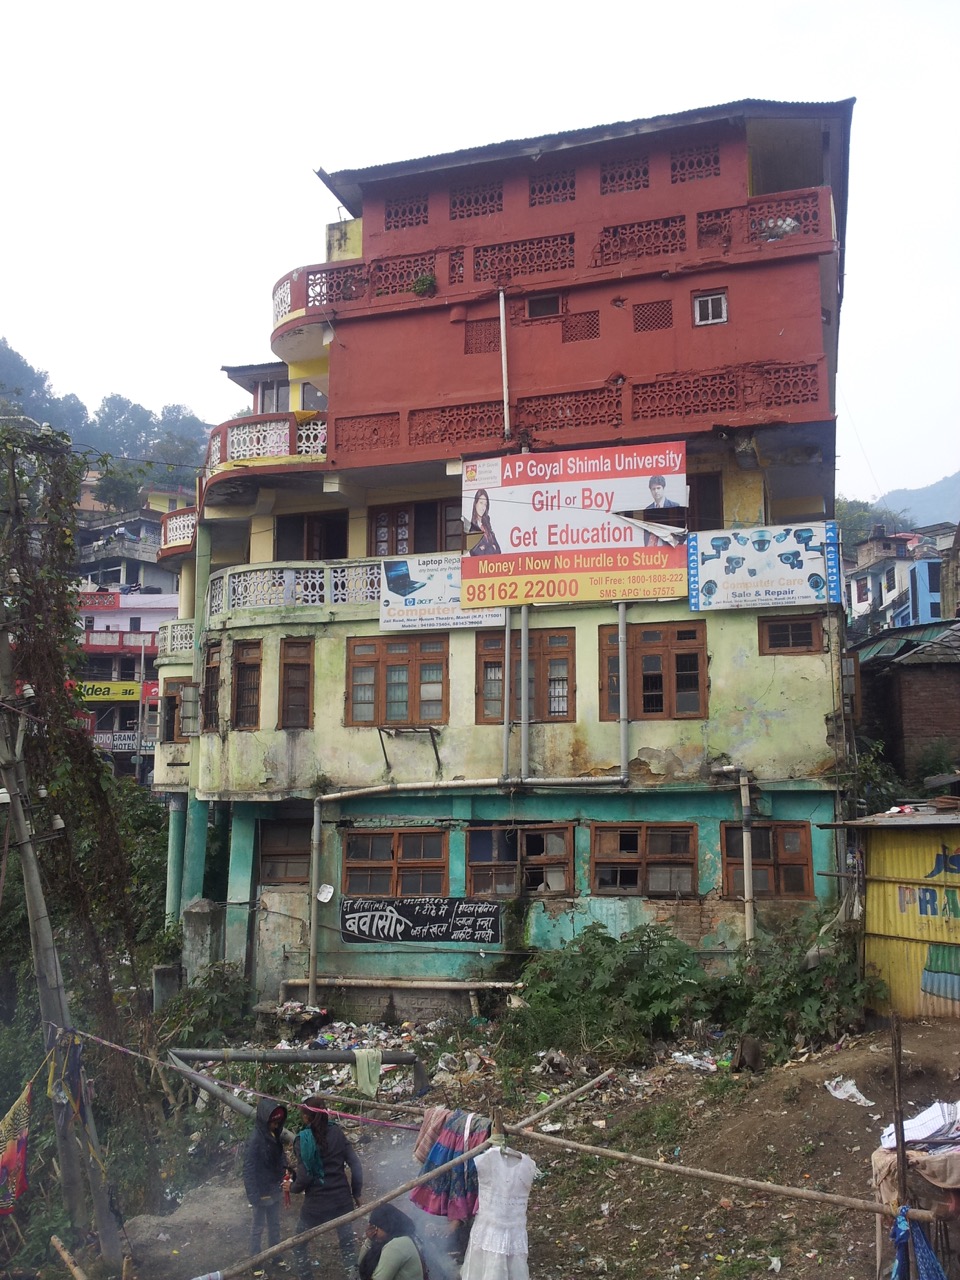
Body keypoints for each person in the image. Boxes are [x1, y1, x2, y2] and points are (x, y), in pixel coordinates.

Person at [290, 1096, 363, 1279]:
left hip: (316, 1206)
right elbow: (355, 1164)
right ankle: (353, 1276)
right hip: (342, 1202)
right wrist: (356, 1193)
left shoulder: (303, 1140)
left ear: (306, 1117)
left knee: (298, 1244)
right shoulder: (337, 1132)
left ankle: (306, 1277)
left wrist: (291, 1187)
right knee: (347, 1245)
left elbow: (304, 1177)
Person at [242, 1097, 288, 1257]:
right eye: (273, 1122)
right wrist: (253, 1195)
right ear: (264, 1120)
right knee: (258, 1227)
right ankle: (255, 1259)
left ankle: (275, 1255)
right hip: (261, 1191)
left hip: (274, 1188)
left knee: (274, 1225)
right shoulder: (255, 1140)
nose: (276, 1125)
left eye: (278, 1123)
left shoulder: (274, 1134)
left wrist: (285, 1170)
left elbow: (280, 1156)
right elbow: (248, 1169)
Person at [358, 1204, 425, 1280]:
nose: (373, 1232)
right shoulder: (389, 1241)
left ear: (387, 1226)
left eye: (375, 1228)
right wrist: (369, 1241)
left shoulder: (398, 1244)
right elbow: (360, 1265)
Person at [643, 474, 682, 546]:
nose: (656, 491)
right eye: (653, 489)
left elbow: (681, 531)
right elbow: (646, 533)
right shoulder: (647, 509)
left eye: (658, 488)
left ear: (663, 488)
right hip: (653, 549)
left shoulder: (674, 506)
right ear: (650, 491)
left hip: (670, 548)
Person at [467, 489, 501, 556]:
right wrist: (491, 547)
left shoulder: (487, 525)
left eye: (485, 504)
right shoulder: (471, 528)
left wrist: (484, 547)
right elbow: (476, 553)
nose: (483, 507)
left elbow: (498, 550)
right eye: (481, 503)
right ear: (475, 503)